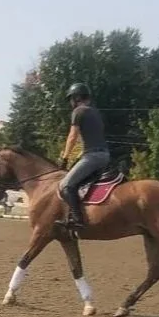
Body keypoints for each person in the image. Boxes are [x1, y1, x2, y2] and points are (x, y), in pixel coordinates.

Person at [58, 83, 109, 230]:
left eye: (71, 99)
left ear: (77, 98)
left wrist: (65, 158)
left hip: (93, 157)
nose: (70, 103)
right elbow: (94, 137)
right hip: (104, 155)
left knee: (65, 185)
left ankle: (77, 219)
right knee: (80, 183)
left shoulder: (78, 111)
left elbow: (72, 136)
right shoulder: (96, 112)